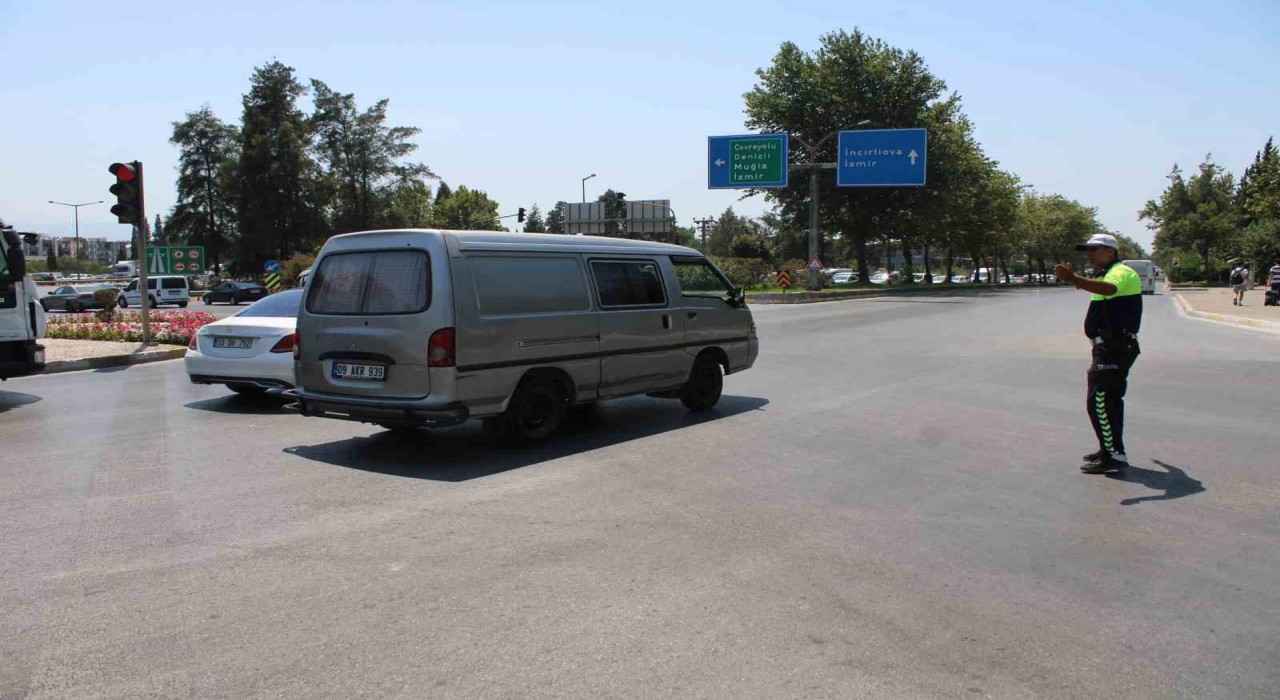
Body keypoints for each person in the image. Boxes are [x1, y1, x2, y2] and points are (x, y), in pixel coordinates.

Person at [1053, 233, 1143, 474]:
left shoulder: (1120, 272)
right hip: (1109, 347)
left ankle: (1114, 455)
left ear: (1111, 252)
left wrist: (1074, 279)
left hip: (1114, 348)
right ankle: (1109, 449)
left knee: (1100, 401)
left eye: (1095, 249)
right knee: (1107, 401)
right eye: (1088, 250)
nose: (1089, 254)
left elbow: (1110, 289)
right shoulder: (1106, 273)